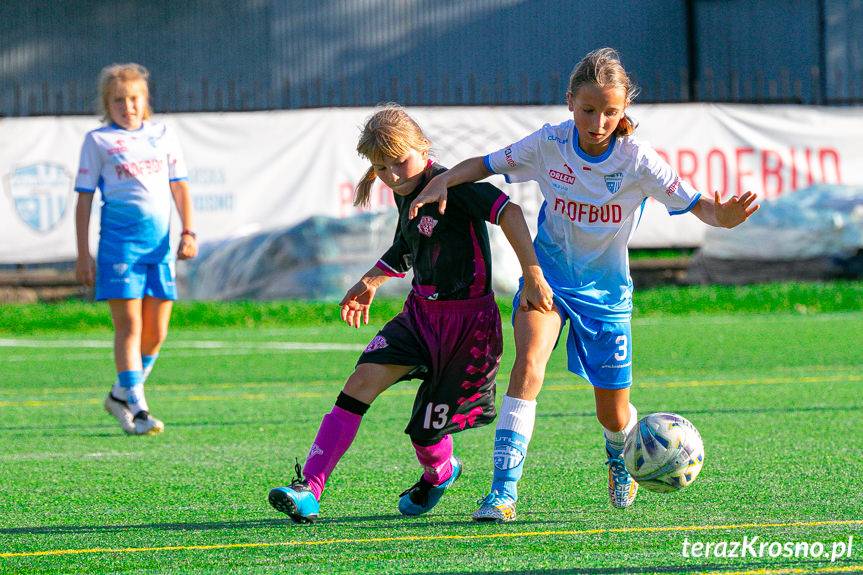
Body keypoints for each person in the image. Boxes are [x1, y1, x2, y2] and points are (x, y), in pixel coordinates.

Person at [408, 47, 760, 521]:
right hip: (547, 281)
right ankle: (501, 494)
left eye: (610, 113)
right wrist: (442, 182)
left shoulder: (639, 161)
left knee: (614, 417)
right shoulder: (549, 143)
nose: (598, 123)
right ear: (570, 101)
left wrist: (724, 217)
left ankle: (619, 455)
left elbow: (698, 204)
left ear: (624, 111)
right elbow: (485, 164)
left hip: (608, 296)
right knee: (528, 368)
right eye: (589, 110)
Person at [267, 105, 553, 523]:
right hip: (419, 317)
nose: (394, 176)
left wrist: (532, 273)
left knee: (425, 432)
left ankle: (440, 472)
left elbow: (508, 211)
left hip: (467, 328)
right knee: (359, 383)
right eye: (381, 168)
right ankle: (309, 488)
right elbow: (406, 249)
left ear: (424, 147)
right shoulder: (405, 192)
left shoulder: (453, 183)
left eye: (400, 162)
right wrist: (370, 281)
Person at [74, 63, 197, 436]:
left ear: (145, 101)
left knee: (156, 333)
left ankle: (119, 394)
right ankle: (139, 408)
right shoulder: (98, 141)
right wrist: (83, 253)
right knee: (129, 326)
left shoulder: (163, 135)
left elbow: (179, 186)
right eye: (118, 100)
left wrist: (189, 231)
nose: (127, 106)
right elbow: (83, 200)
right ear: (106, 104)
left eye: (133, 99)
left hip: (158, 248)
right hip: (119, 248)